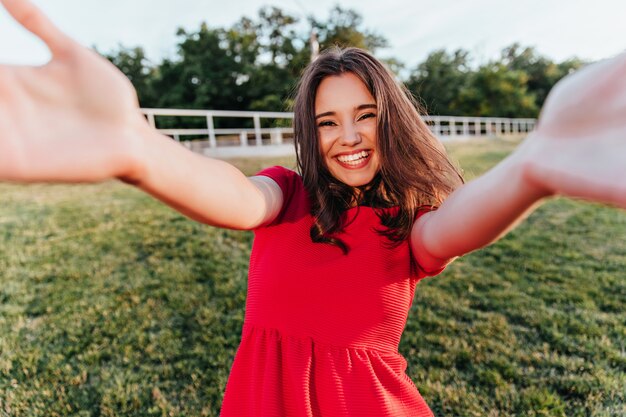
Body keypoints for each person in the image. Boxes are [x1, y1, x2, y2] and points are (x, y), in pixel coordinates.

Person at [0, 0, 625, 416]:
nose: (347, 137)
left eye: (365, 116)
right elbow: (237, 198)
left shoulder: (412, 221)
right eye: (327, 122)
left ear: (392, 121)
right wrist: (138, 151)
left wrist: (530, 168)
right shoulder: (286, 194)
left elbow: (455, 228)